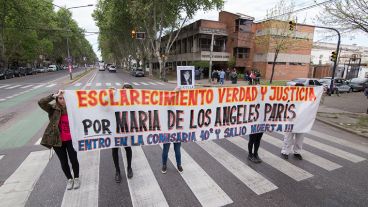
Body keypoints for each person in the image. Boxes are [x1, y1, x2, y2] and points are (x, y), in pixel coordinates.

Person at [38, 90, 80, 190]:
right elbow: (41, 102)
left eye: (64, 98)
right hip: (57, 141)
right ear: (57, 99)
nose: (62, 100)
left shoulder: (73, 108)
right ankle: (69, 179)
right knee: (63, 161)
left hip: (71, 140)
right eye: (60, 98)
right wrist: (53, 95)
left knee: (74, 160)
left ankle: (76, 178)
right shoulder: (52, 109)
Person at [112, 83, 134, 183]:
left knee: (128, 148)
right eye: (124, 91)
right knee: (114, 150)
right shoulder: (116, 99)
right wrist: (110, 94)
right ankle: (117, 171)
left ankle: (129, 167)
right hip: (115, 128)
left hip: (126, 129)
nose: (126, 93)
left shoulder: (135, 101)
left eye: (128, 91)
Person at [281, 83, 305, 160]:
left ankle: (297, 152)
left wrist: (323, 94)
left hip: (302, 121)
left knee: (300, 138)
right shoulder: (290, 97)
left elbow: (316, 103)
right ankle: (285, 151)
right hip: (290, 121)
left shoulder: (306, 98)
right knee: (288, 137)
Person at [162, 86, 183, 174]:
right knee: (165, 149)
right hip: (167, 130)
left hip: (177, 130)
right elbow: (167, 100)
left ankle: (179, 165)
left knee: (177, 149)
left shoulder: (182, 103)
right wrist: (175, 91)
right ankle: (164, 165)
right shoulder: (168, 103)